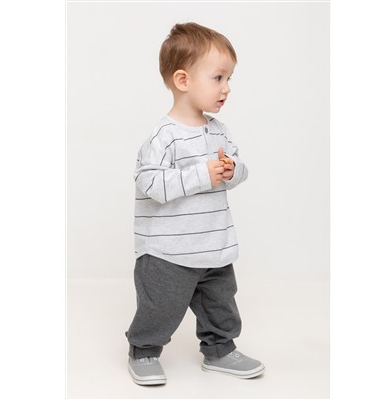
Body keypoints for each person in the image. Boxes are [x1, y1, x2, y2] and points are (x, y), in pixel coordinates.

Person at [125, 22, 265, 386]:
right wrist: (202, 174)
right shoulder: (164, 136)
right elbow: (150, 183)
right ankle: (143, 350)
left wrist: (232, 170)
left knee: (221, 302)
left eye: (229, 78)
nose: (226, 87)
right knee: (160, 307)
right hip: (167, 251)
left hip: (213, 244)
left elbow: (238, 169)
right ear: (183, 80)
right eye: (218, 78)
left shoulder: (219, 130)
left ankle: (219, 349)